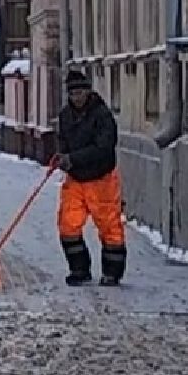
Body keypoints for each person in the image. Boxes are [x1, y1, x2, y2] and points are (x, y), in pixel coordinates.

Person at [56, 67, 125, 287]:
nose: (76, 97)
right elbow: (62, 141)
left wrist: (73, 158)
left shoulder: (102, 115)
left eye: (80, 93)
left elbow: (104, 148)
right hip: (75, 180)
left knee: (109, 227)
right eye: (72, 94)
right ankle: (79, 269)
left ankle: (112, 273)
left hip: (101, 178)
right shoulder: (65, 116)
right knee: (68, 225)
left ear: (87, 92)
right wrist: (61, 155)